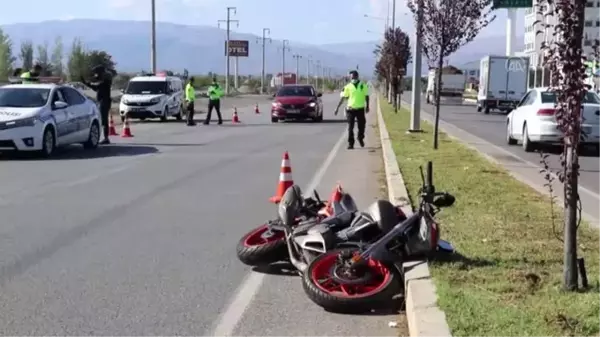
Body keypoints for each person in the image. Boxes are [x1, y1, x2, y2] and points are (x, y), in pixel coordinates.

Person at [334, 70, 370, 149]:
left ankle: (360, 138)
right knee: (350, 127)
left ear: (357, 76)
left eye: (353, 76)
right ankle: (351, 143)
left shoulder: (363, 85)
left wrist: (367, 106)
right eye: (351, 77)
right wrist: (337, 107)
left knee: (362, 126)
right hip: (351, 110)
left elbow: (367, 96)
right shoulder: (348, 87)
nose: (352, 78)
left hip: (360, 109)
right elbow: (343, 98)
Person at [81, 65, 113, 144]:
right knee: (102, 119)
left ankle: (106, 138)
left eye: (96, 73)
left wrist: (86, 83)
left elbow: (96, 87)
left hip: (104, 102)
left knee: (103, 120)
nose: (95, 75)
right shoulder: (105, 80)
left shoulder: (105, 81)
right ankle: (105, 137)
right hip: (103, 101)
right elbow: (96, 85)